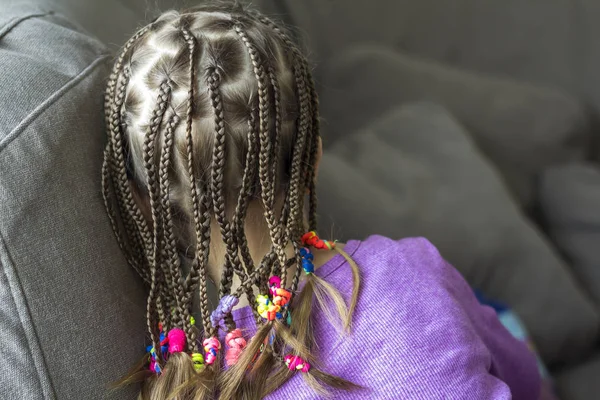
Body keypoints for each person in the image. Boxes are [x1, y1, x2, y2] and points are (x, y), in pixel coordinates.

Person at [102, 2, 542, 399]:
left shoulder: (191, 384)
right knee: (494, 317)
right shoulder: (407, 268)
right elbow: (525, 379)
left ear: (145, 205)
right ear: (313, 155)